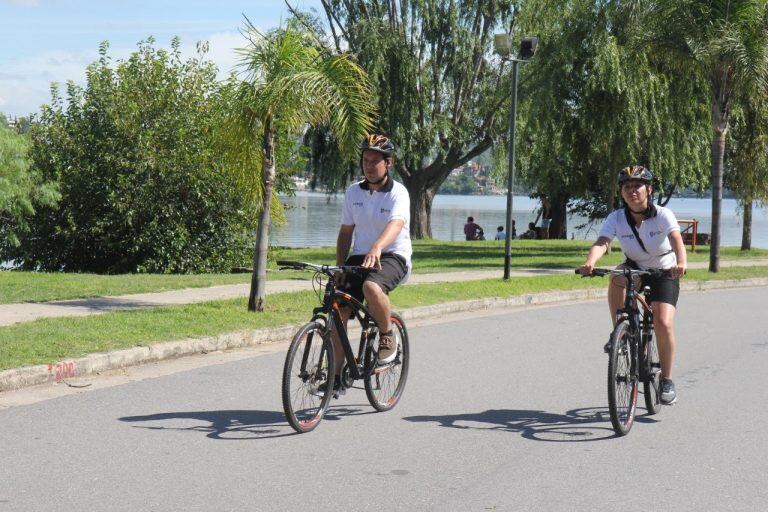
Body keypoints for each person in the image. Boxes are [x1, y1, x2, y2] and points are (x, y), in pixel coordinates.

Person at [579, 165, 687, 405]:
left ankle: (667, 380)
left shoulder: (662, 215)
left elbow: (676, 238)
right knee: (616, 276)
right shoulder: (616, 218)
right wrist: (590, 262)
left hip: (665, 270)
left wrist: (681, 262)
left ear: (648, 189)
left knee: (662, 321)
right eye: (626, 187)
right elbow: (603, 241)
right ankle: (619, 331)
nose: (631, 191)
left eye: (637, 185)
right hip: (635, 267)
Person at [335, 134, 412, 379]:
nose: (368, 166)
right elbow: (346, 232)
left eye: (374, 161)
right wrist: (339, 267)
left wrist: (377, 247)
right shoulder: (353, 192)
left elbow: (396, 224)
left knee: (371, 287)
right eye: (365, 160)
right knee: (337, 309)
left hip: (392, 255)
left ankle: (387, 335)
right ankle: (334, 378)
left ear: (388, 163)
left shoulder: (398, 193)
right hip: (360, 256)